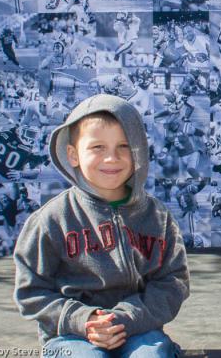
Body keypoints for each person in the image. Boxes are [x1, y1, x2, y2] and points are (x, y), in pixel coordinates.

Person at [13, 94, 189, 356]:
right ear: (73, 154)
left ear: (138, 149)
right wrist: (84, 319)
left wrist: (127, 318)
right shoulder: (51, 219)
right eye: (97, 148)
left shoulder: (157, 217)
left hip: (140, 329)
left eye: (124, 146)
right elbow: (31, 291)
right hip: (71, 336)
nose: (111, 158)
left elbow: (173, 282)